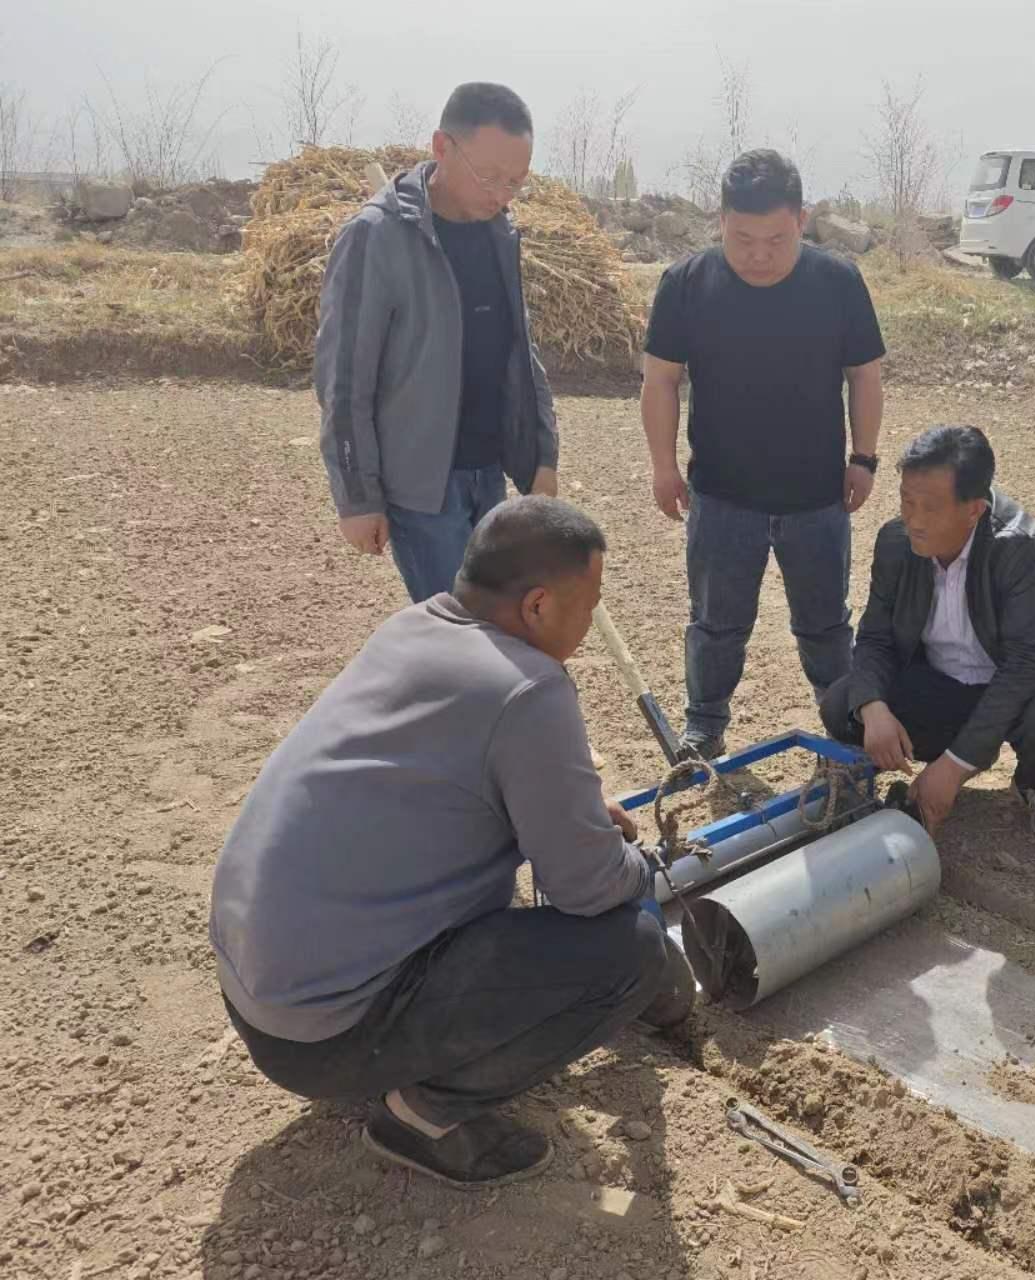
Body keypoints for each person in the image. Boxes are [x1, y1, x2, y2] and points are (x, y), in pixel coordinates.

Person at [209, 497, 693, 1188]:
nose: (590, 623)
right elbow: (588, 888)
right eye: (589, 605)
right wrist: (638, 868)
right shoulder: (530, 688)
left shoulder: (415, 627)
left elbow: (449, 780)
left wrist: (569, 811)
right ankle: (423, 1116)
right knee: (630, 950)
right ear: (537, 606)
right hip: (321, 1037)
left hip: (256, 991)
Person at [641, 149, 887, 760]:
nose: (758, 255)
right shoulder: (686, 284)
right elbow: (661, 379)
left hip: (817, 495)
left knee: (825, 625)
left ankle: (843, 721)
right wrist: (663, 465)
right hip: (722, 494)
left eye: (776, 239)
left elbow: (864, 375)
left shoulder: (837, 283)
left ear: (801, 220)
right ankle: (704, 726)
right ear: (721, 219)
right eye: (742, 239)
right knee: (715, 624)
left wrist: (864, 458)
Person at [314, 82, 560, 604]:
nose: (501, 194)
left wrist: (541, 454)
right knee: (460, 626)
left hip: (488, 470)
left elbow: (520, 351)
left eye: (515, 182)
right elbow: (344, 377)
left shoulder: (499, 233)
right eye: (489, 176)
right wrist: (357, 496)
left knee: (497, 621)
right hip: (422, 486)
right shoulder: (378, 237)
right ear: (442, 147)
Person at [820, 427, 1035, 843]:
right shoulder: (896, 542)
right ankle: (876, 768)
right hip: (943, 684)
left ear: (974, 510)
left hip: (1017, 690)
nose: (914, 521)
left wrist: (954, 766)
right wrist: (873, 707)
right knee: (843, 703)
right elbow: (876, 638)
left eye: (930, 508)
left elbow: (1029, 663)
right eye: (906, 501)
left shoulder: (1020, 546)